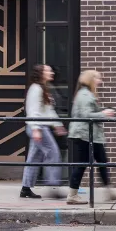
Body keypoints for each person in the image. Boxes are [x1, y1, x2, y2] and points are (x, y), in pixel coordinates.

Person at [66, 70, 116, 205]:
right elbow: (86, 114)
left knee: (101, 162)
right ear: (91, 79)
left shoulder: (86, 94)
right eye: (98, 78)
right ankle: (72, 195)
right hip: (85, 135)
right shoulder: (85, 95)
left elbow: (89, 113)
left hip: (91, 135)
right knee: (83, 164)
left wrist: (101, 112)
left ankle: (109, 192)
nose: (100, 81)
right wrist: (104, 113)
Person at [20, 64, 67, 199]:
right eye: (48, 71)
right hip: (39, 127)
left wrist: (57, 125)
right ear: (41, 73)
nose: (51, 72)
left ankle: (26, 188)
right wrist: (36, 129)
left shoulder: (43, 88)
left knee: (34, 158)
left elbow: (48, 110)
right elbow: (32, 110)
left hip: (40, 127)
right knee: (53, 153)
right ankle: (53, 186)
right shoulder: (36, 89)